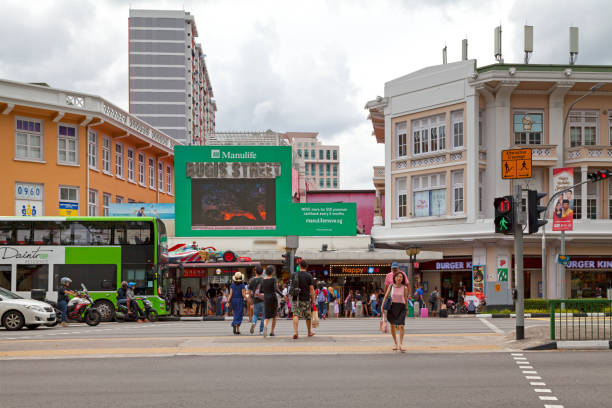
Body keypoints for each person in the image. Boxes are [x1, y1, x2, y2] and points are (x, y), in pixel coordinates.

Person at [380, 271, 410, 352]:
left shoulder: (405, 288)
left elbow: (406, 299)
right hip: (392, 307)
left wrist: (407, 309)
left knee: (401, 325)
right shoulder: (391, 286)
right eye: (398, 277)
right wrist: (382, 306)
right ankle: (395, 343)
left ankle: (401, 344)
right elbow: (386, 296)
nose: (399, 278)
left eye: (401, 277)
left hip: (401, 307)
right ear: (395, 278)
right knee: (392, 325)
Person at [292, 259, 316, 339]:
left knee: (295, 314)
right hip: (305, 299)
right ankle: (309, 332)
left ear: (299, 266)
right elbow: (312, 289)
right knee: (308, 316)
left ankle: (296, 332)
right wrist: (313, 300)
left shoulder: (294, 275)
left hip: (296, 298)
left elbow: (290, 286)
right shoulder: (309, 276)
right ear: (306, 266)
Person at [262, 265, 283, 337]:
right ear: (272, 272)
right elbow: (275, 289)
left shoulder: (263, 280)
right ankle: (272, 332)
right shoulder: (273, 279)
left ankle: (265, 326)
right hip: (273, 298)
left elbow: (261, 290)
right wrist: (282, 295)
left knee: (267, 316)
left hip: (266, 298)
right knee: (274, 316)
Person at [248, 265, 265, 335]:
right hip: (263, 300)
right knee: (264, 315)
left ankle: (254, 322)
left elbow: (249, 291)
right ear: (262, 272)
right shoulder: (264, 280)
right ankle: (261, 331)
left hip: (255, 300)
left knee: (255, 314)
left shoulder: (252, 280)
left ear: (255, 272)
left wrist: (250, 298)